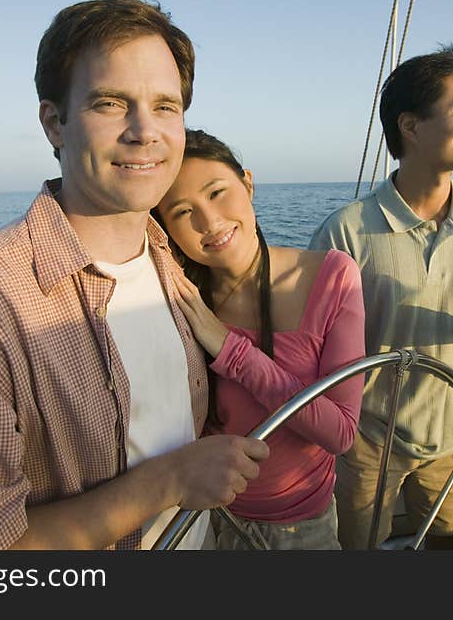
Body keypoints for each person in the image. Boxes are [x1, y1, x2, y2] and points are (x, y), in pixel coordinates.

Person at [0, 0, 269, 551]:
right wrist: (170, 481)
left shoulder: (169, 258)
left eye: (166, 106)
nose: (144, 131)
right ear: (54, 122)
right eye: (111, 104)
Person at [309, 45, 453, 549]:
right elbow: (314, 350)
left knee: (451, 546)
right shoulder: (346, 233)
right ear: (410, 127)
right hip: (368, 441)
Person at [154, 129, 365, 549]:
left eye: (217, 193)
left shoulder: (332, 276)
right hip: (204, 519)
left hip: (300, 528)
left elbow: (341, 431)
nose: (209, 222)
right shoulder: (178, 295)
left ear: (248, 183)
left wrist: (229, 350)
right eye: (182, 212)